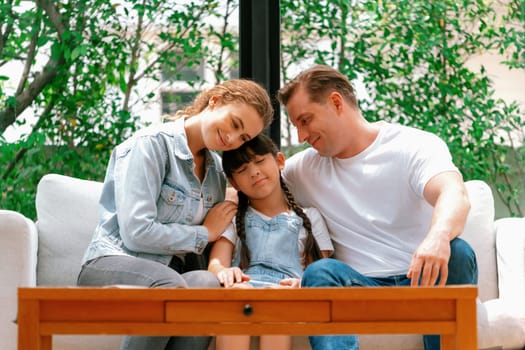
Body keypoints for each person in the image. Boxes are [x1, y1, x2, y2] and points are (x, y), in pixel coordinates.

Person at [276, 65, 478, 350]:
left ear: (336, 102)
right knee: (320, 272)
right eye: (296, 126)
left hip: (424, 282)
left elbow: (454, 193)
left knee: (458, 251)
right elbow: (251, 185)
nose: (301, 136)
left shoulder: (412, 145)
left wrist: (438, 236)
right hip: (360, 290)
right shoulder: (304, 168)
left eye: (305, 121)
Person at [77, 79, 274, 350]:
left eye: (243, 138)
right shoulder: (150, 145)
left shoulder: (216, 173)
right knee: (169, 285)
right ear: (215, 101)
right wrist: (205, 233)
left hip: (173, 273)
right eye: (235, 123)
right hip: (115, 260)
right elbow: (136, 233)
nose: (231, 139)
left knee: (206, 283)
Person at [208, 133, 334, 350]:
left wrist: (302, 284)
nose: (254, 172)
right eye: (242, 170)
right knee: (239, 295)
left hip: (287, 294)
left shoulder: (309, 217)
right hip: (245, 289)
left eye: (259, 161)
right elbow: (216, 263)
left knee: (278, 298)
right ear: (233, 182)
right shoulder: (235, 219)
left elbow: (318, 273)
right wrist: (223, 272)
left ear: (279, 161)